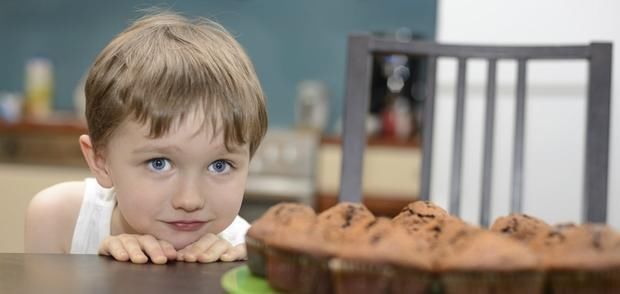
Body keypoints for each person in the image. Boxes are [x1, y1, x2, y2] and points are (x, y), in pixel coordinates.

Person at [24, 11, 268, 264]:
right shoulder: (60, 220)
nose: (190, 200)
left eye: (220, 165)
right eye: (159, 163)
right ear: (100, 160)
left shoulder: (246, 254)